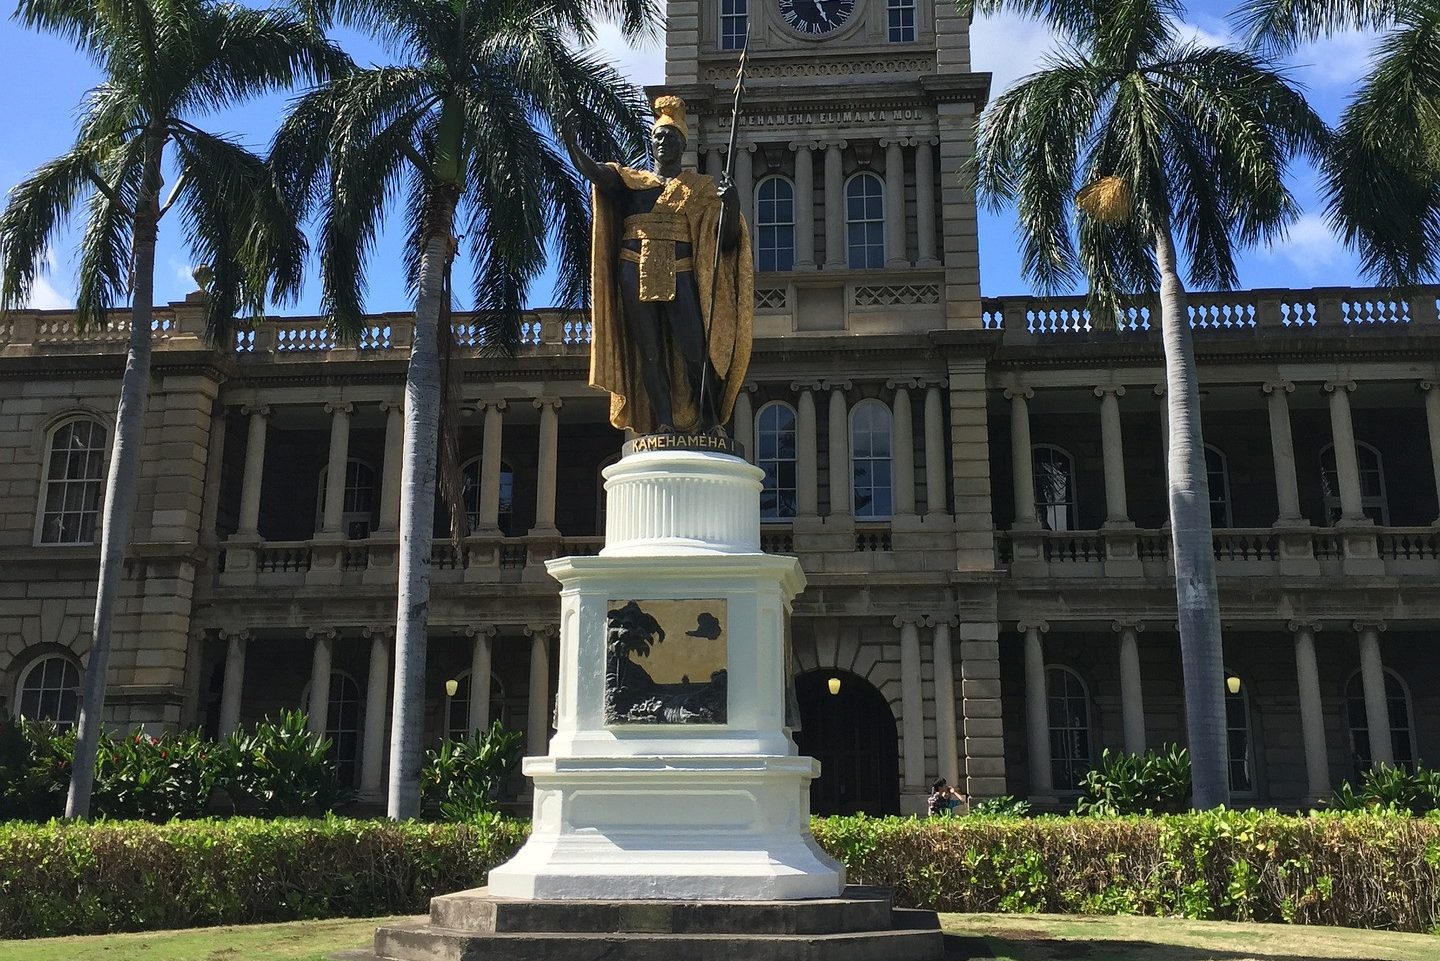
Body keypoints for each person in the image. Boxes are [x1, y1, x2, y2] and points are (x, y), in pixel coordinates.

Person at [562, 95, 753, 436]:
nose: (664, 142)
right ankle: (663, 419)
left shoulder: (700, 189)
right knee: (649, 352)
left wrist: (731, 203)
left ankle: (709, 419)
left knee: (694, 350)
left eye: (671, 138)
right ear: (651, 144)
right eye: (658, 137)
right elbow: (595, 173)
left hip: (680, 271)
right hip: (632, 269)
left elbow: (723, 244)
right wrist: (573, 146)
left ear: (682, 145)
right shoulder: (632, 181)